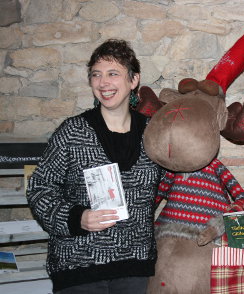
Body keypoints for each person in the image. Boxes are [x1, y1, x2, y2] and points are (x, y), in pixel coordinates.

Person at [26, 39, 164, 294]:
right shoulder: (72, 131)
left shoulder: (154, 133)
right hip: (78, 268)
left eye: (113, 74)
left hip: (135, 269)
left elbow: (176, 181)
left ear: (133, 81)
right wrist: (77, 217)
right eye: (96, 75)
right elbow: (39, 188)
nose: (103, 83)